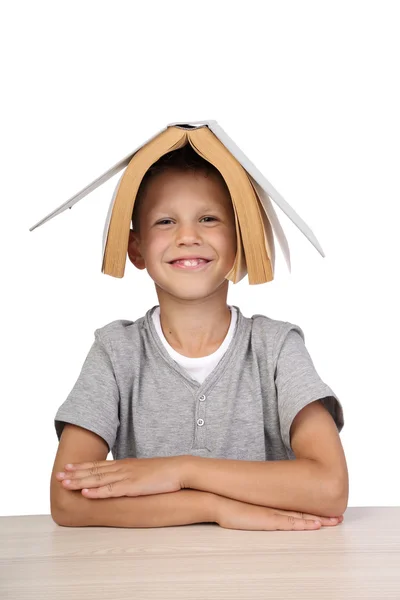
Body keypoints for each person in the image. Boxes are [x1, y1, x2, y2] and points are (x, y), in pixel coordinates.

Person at [51, 144, 347, 530]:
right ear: (136, 249)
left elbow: (329, 488)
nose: (188, 236)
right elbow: (67, 503)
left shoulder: (276, 349)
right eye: (165, 222)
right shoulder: (115, 353)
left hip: (269, 571)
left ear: (239, 241)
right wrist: (213, 508)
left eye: (208, 219)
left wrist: (182, 471)